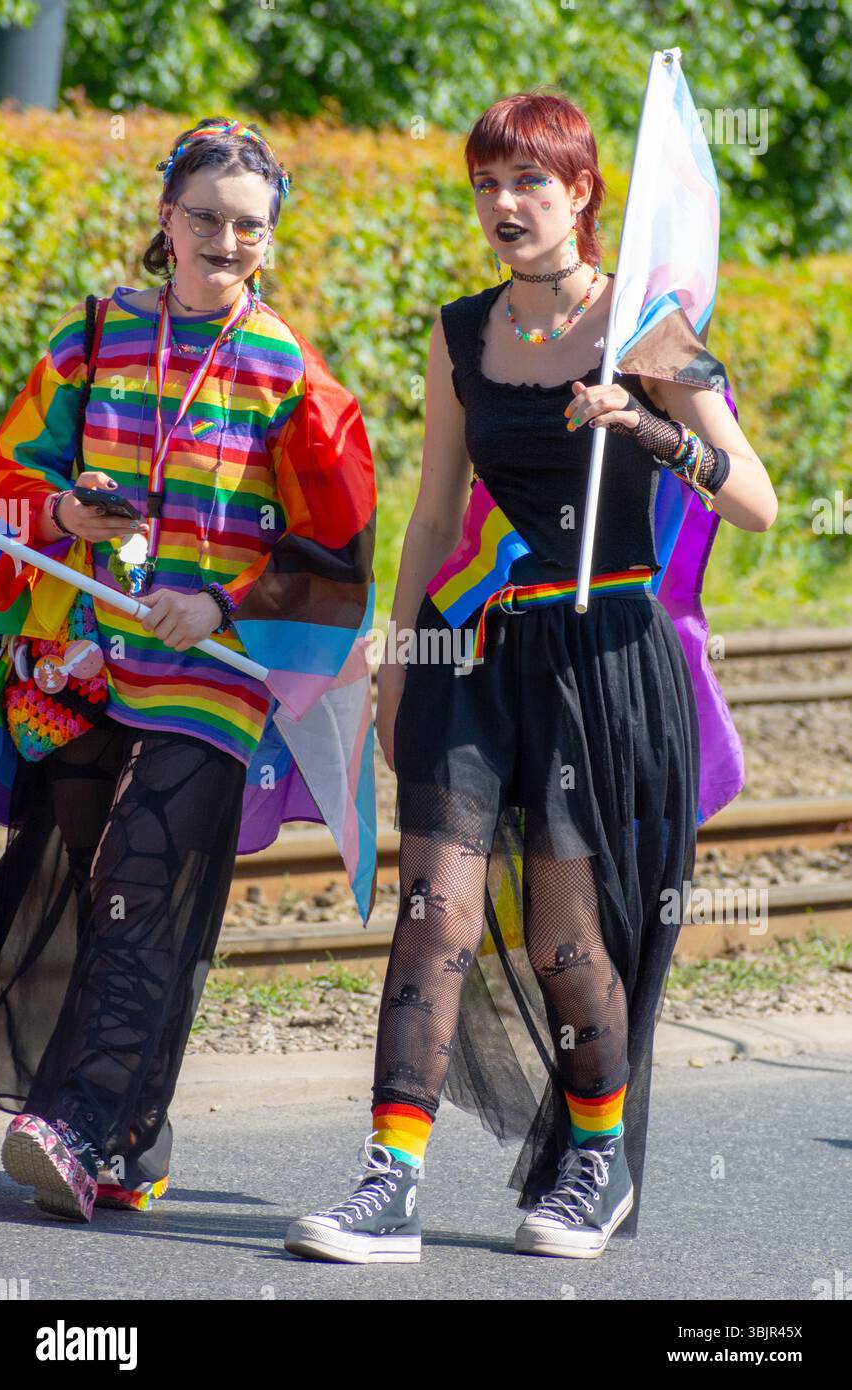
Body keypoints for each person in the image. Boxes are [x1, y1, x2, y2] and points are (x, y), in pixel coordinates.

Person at [285, 91, 776, 1264]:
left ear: (582, 196)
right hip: (475, 652)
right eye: (486, 185)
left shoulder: (648, 325)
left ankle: (593, 1161)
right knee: (431, 912)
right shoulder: (458, 331)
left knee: (563, 940)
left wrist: (652, 430)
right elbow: (432, 510)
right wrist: (398, 657)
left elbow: (752, 500)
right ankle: (387, 1178)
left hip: (599, 659)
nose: (504, 207)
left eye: (529, 186)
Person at [0, 117, 376, 1223]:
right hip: (82, 658)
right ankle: (134, 1135)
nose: (225, 238)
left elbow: (335, 545)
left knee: (140, 881)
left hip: (211, 669)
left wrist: (221, 600)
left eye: (248, 225)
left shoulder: (293, 375)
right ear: (165, 220)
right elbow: (5, 471)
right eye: (204, 216)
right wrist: (60, 508)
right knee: (75, 873)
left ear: (270, 237)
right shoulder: (89, 339)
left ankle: (70, 1120)